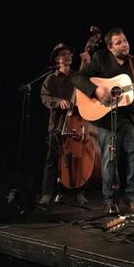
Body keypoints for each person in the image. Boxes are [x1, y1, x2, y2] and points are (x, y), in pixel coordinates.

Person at [71, 27, 134, 214]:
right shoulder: (100, 58)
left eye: (125, 40)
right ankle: (109, 200)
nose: (124, 44)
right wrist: (97, 91)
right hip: (107, 119)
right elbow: (78, 78)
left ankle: (132, 198)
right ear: (110, 47)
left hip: (133, 120)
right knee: (109, 161)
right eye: (119, 43)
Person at [38, 43, 90, 206]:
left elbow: (88, 90)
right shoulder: (51, 78)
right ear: (57, 60)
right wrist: (58, 101)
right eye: (64, 55)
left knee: (78, 159)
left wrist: (87, 65)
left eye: (69, 54)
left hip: (75, 123)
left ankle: (79, 192)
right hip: (57, 124)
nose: (68, 56)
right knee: (52, 159)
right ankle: (47, 194)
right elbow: (45, 97)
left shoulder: (77, 76)